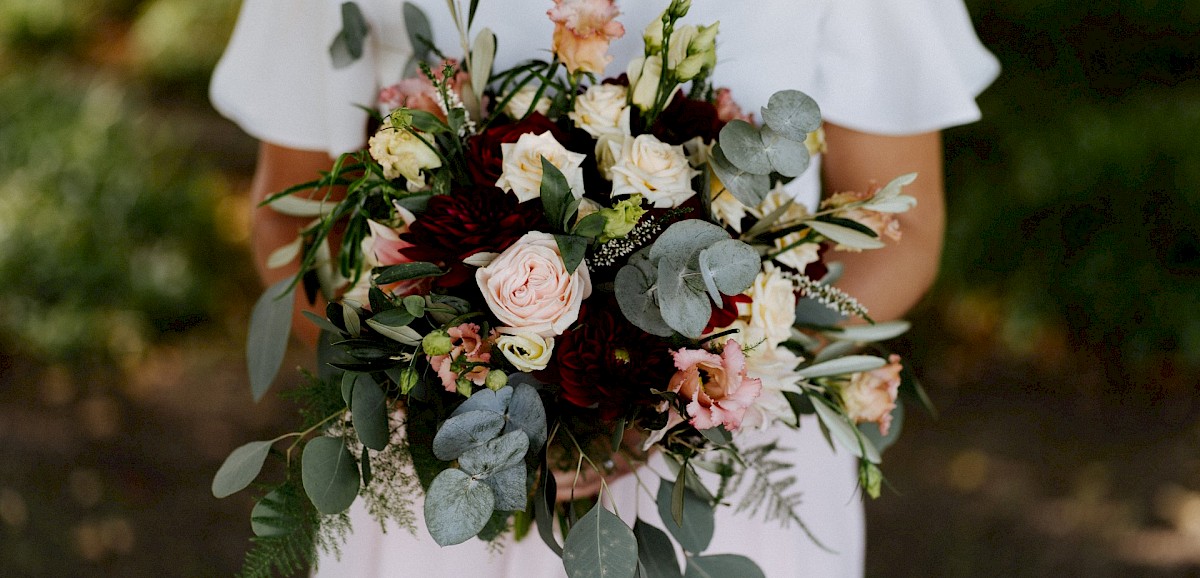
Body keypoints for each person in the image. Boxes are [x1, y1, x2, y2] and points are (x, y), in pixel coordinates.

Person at [211, 0, 998, 575]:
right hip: (439, 481)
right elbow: (290, 217)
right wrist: (441, 381)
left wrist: (691, 387)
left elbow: (904, 226)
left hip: (728, 477)